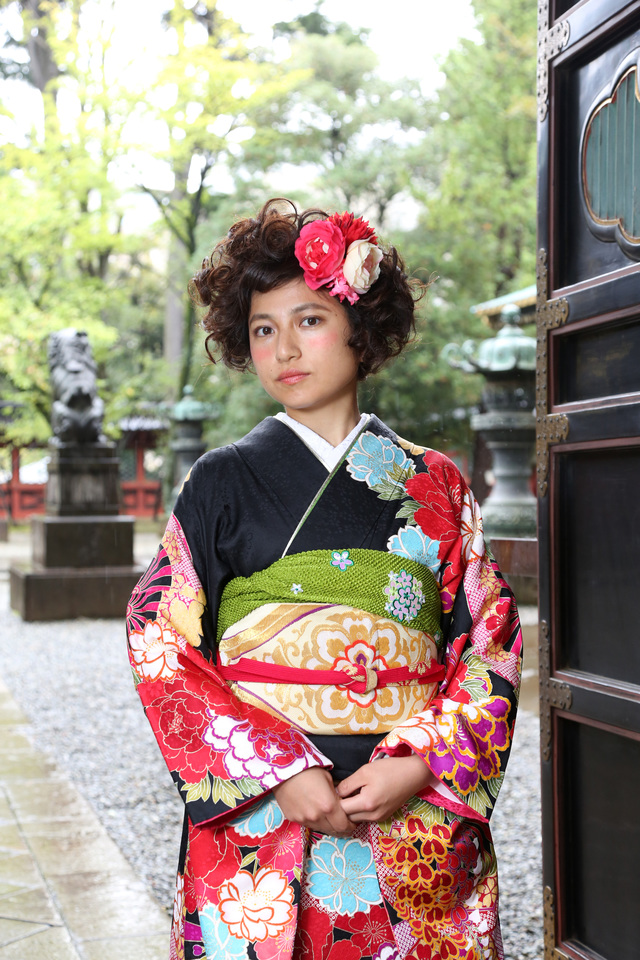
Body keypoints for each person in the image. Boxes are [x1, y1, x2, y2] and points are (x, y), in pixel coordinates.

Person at [126, 199, 522, 960]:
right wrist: (273, 770)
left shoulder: (434, 483)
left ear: (359, 328)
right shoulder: (219, 482)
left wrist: (422, 759)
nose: (284, 349)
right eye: (263, 330)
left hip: (410, 805)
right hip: (263, 811)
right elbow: (160, 643)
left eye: (308, 320)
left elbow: (490, 641)